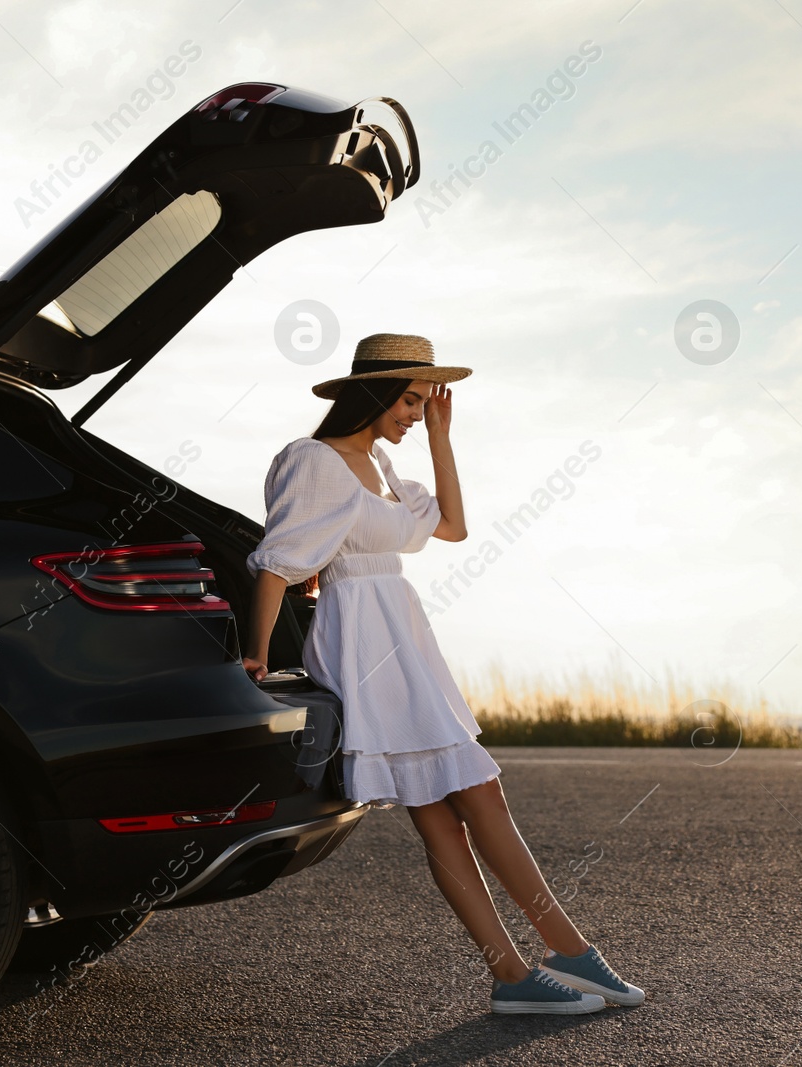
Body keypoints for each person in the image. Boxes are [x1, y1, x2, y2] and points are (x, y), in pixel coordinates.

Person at [241, 333, 645, 1015]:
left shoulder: (390, 473)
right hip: (363, 643)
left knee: (463, 804)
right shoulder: (312, 460)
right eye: (408, 399)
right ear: (371, 393)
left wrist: (439, 436)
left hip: (407, 641)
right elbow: (276, 562)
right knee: (464, 799)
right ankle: (543, 962)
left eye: (422, 401)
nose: (414, 412)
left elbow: (454, 526)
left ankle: (539, 964)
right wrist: (254, 656)